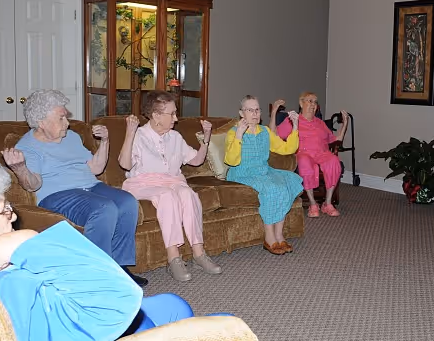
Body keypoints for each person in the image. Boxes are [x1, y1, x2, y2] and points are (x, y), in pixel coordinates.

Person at [0, 146, 196, 341]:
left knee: (174, 304)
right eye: (2, 211)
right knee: (229, 330)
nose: (13, 219)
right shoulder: (3, 290)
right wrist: (24, 239)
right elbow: (119, 298)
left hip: (79, 320)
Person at [1, 89, 146, 287]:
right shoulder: (27, 146)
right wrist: (20, 168)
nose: (67, 123)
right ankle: (97, 274)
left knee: (127, 201)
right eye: (61, 118)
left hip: (91, 186)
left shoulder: (71, 137)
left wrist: (105, 142)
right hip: (59, 195)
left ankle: (119, 267)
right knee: (103, 208)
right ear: (41, 122)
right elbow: (33, 185)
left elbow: (95, 168)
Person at [119, 91, 222, 282]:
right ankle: (173, 258)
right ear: (156, 116)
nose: (176, 118)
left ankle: (199, 254)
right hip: (143, 182)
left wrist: (206, 137)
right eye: (172, 114)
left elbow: (197, 160)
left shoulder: (175, 137)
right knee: (167, 196)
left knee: (188, 194)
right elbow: (125, 164)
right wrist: (130, 133)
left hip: (172, 180)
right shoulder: (139, 135)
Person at [225, 95, 303, 254]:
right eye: (249, 110)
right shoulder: (233, 132)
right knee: (272, 188)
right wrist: (239, 135)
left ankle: (279, 235)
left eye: (257, 110)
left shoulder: (265, 132)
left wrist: (295, 126)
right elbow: (231, 160)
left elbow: (287, 148)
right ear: (241, 113)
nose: (254, 113)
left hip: (263, 170)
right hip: (242, 172)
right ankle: (269, 237)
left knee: (288, 181)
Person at [270, 93, 349, 218]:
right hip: (303, 153)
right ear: (301, 103)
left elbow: (336, 139)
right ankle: (313, 204)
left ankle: (327, 204)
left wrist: (345, 124)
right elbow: (273, 134)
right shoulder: (292, 120)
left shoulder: (320, 123)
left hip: (321, 153)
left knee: (333, 160)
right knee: (304, 162)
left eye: (315, 102)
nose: (313, 104)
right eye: (310, 101)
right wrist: (274, 111)